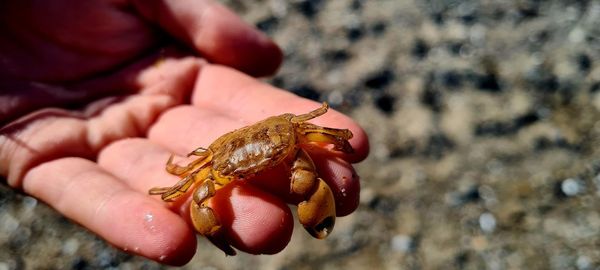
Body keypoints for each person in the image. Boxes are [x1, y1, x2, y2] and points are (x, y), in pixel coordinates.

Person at [0, 0, 369, 265]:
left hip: (279, 135)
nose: (257, 170)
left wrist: (340, 142)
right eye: (245, 173)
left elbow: (331, 131)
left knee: (314, 174)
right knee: (199, 198)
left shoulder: (294, 131)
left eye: (266, 164)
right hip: (228, 154)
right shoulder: (213, 167)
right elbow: (190, 189)